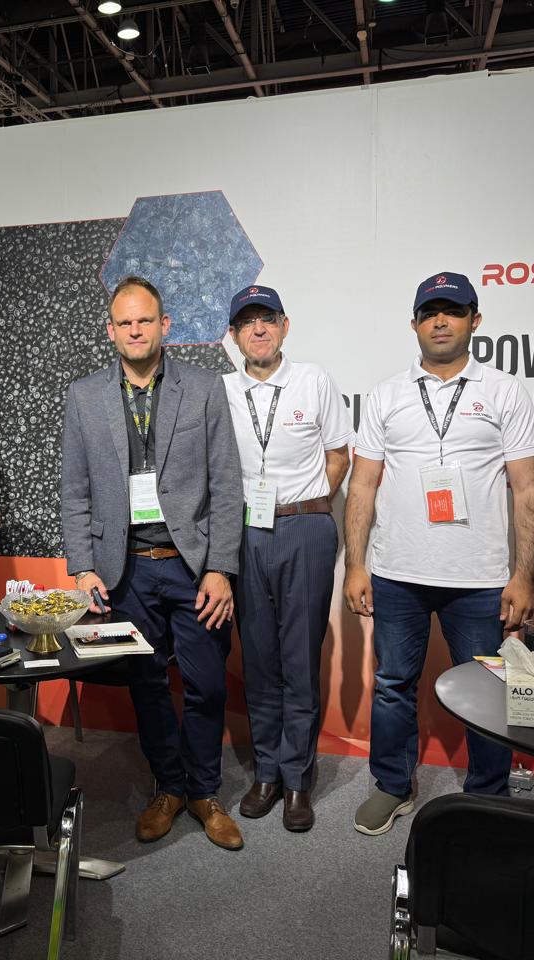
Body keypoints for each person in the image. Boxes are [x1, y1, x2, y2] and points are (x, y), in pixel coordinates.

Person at [343, 271, 534, 836]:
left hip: (478, 577)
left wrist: (523, 575)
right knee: (393, 684)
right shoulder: (386, 395)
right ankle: (392, 785)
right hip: (397, 572)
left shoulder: (504, 391)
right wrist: (355, 564)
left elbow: (527, 487)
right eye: (429, 312)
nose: (440, 321)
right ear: (413, 323)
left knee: (487, 689)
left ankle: (488, 796)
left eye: (452, 311)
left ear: (474, 321)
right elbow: (362, 485)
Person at [61, 275, 245, 850]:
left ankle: (205, 791)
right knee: (146, 684)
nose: (135, 330)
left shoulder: (204, 387)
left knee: (206, 685)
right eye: (125, 322)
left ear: (165, 325)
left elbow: (226, 483)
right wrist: (82, 566)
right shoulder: (85, 396)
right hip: (126, 570)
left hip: (193, 568)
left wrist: (220, 568)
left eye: (145, 320)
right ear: (110, 330)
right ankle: (169, 787)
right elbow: (75, 489)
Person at [222, 285, 352, 831]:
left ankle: (298, 777)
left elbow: (339, 455)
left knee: (299, 658)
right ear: (233, 335)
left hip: (306, 528)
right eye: (248, 322)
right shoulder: (221, 391)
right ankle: (267, 772)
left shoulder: (314, 380)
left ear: (284, 326)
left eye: (268, 319)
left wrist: (309, 502)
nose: (259, 330)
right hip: (245, 532)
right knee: (258, 658)